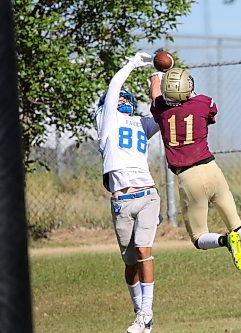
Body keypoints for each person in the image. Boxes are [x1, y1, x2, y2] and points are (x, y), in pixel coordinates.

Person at [148, 67, 241, 299]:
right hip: (212, 169)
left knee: (199, 238)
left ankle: (225, 241)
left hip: (188, 177)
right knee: (238, 224)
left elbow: (155, 94)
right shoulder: (203, 102)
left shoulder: (161, 111)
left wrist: (156, 74)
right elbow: (204, 107)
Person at [93, 52, 160, 333]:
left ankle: (146, 312)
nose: (120, 101)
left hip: (146, 194)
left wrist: (157, 81)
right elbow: (113, 87)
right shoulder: (107, 123)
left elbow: (162, 112)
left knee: (144, 250)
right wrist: (132, 63)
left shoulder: (141, 123)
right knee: (130, 263)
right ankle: (140, 315)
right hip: (121, 200)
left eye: (124, 99)